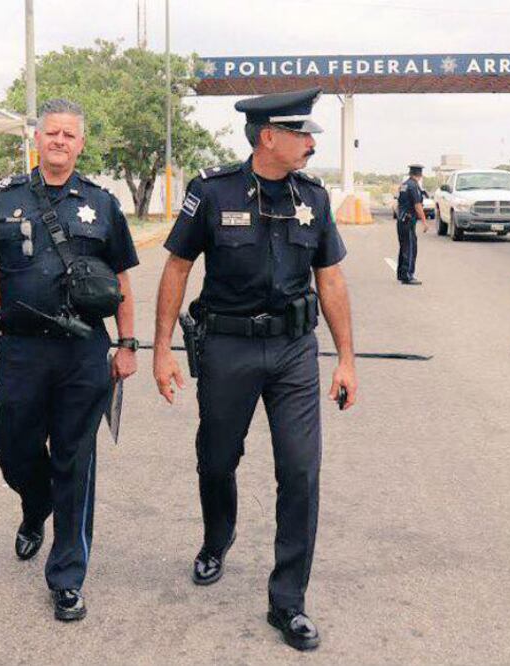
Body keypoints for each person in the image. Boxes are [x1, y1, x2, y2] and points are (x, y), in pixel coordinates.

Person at [152, 87, 357, 651]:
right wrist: (162, 349)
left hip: (294, 351)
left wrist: (345, 358)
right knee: (217, 459)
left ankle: (287, 600)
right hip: (227, 346)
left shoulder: (313, 197)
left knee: (300, 470)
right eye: (302, 133)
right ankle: (217, 537)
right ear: (269, 137)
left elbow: (331, 279)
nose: (312, 143)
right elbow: (176, 268)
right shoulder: (213, 192)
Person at [0, 98, 139, 623]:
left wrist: (126, 345)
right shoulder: (3, 199)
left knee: (76, 461)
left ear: (81, 144)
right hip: (20, 349)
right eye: (51, 133)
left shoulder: (102, 204)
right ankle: (36, 506)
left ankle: (67, 577)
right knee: (9, 443)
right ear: (36, 139)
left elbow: (123, 278)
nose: (59, 141)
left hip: (83, 351)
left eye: (69, 135)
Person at [396, 164, 430, 285]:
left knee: (403, 247)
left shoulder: (404, 185)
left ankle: (401, 273)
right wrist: (425, 222)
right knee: (410, 248)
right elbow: (417, 205)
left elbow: (398, 203)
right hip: (409, 221)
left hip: (401, 220)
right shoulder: (413, 186)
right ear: (419, 175)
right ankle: (407, 276)